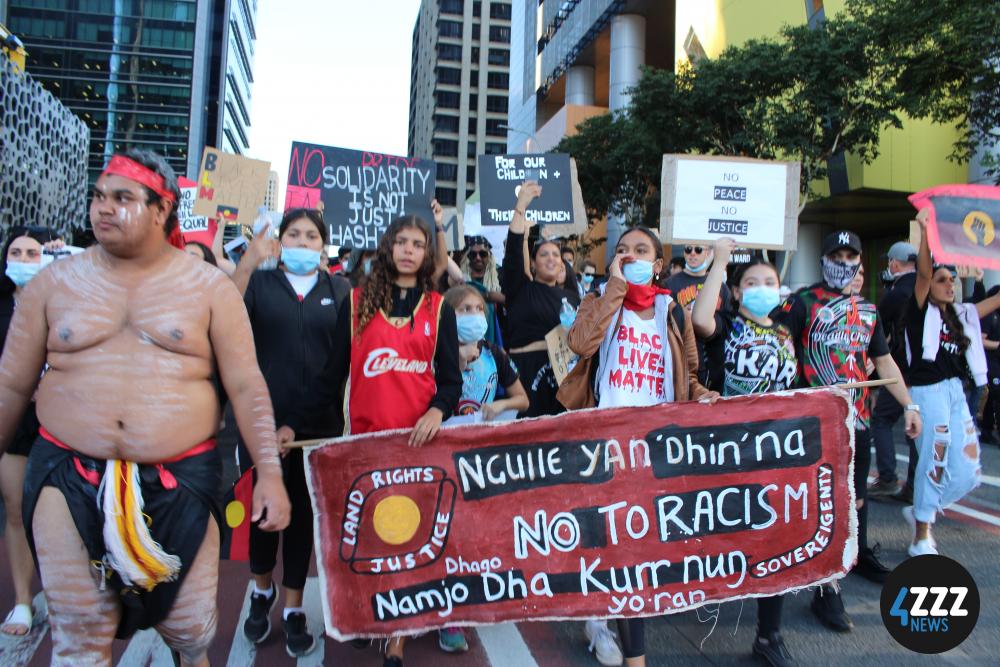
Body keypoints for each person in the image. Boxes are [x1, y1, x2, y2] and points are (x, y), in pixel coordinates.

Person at [0, 149, 291, 666]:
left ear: (161, 211)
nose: (104, 208)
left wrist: (268, 471)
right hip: (65, 473)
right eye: (98, 196)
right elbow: (10, 387)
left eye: (122, 198)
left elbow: (246, 385)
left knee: (191, 630)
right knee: (80, 634)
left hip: (180, 479)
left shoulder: (208, 289)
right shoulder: (53, 284)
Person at [288, 204, 461, 667]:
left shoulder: (438, 308)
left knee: (409, 539)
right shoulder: (357, 302)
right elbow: (331, 376)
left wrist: (438, 411)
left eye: (418, 244)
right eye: (402, 242)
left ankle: (398, 635)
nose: (409, 251)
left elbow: (450, 381)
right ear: (389, 248)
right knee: (367, 541)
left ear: (428, 254)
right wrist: (294, 426)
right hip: (363, 446)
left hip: (417, 447)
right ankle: (370, 614)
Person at [564, 226, 717, 667]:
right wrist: (614, 287)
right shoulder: (600, 300)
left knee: (637, 549)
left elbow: (687, 376)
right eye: (623, 250)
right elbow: (580, 344)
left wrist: (704, 394)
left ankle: (607, 620)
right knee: (615, 548)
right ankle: (626, 648)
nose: (630, 256)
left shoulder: (673, 312)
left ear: (657, 265)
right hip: (605, 446)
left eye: (641, 251)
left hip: (654, 449)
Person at [771, 229, 920, 633]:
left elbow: (885, 363)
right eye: (835, 254)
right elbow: (774, 352)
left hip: (856, 426)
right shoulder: (801, 302)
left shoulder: (867, 311)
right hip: (808, 425)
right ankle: (797, 577)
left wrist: (909, 406)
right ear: (823, 260)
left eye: (849, 255)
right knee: (808, 505)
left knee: (847, 506)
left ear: (859, 262)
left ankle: (829, 587)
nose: (842, 261)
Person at [229, 208, 350, 656]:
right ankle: (262, 593)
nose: (303, 242)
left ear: (324, 244)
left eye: (312, 235)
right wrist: (248, 260)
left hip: (316, 426)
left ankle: (294, 607)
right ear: (278, 241)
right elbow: (222, 313)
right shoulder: (259, 285)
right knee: (263, 513)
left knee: (301, 515)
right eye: (294, 234)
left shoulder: (340, 290)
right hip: (260, 419)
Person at [693, 239, 798, 667]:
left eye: (768, 282)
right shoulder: (726, 325)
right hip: (724, 449)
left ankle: (768, 635)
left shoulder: (787, 333)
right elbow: (699, 320)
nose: (760, 288)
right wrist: (720, 261)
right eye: (750, 282)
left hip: (774, 451)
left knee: (773, 538)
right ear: (736, 292)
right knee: (720, 533)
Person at [903, 212, 1000, 556]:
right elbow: (925, 272)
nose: (949, 284)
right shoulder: (918, 312)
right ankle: (921, 535)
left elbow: (996, 300)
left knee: (967, 469)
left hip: (956, 392)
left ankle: (919, 510)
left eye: (953, 280)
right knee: (934, 462)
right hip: (928, 394)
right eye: (943, 279)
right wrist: (928, 231)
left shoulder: (963, 316)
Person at [0, 226, 56, 636]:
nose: (22, 259)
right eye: (15, 252)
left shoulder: (67, 298)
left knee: (61, 514)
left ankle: (61, 594)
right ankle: (22, 600)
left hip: (61, 418)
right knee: (17, 510)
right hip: (16, 420)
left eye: (32, 252)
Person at [502, 181, 580, 417]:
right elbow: (514, 252)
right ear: (533, 264)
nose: (551, 259)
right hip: (524, 373)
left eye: (556, 255)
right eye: (544, 254)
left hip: (562, 376)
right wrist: (521, 206)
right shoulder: (522, 289)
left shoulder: (573, 299)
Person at [869, 241, 919, 501]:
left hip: (899, 370)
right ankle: (914, 484)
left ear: (895, 264)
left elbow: (877, 336)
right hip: (926, 373)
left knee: (881, 419)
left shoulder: (896, 293)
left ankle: (887, 478)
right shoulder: (924, 290)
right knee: (917, 429)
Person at [445, 285, 529, 419]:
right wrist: (459, 359)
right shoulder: (436, 351)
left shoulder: (493, 353)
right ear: (447, 314)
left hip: (483, 434)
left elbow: (523, 401)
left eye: (479, 308)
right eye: (466, 309)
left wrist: (502, 404)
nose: (475, 314)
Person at [665, 243, 732, 391]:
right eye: (688, 249)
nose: (692, 253)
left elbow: (728, 323)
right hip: (682, 356)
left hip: (712, 360)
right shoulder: (670, 283)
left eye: (698, 249)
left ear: (708, 253)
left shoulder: (720, 286)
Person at [979, 286, 1000, 445]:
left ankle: (986, 430)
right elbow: (980, 339)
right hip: (990, 360)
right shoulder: (989, 316)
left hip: (996, 360)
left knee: (994, 396)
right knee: (997, 395)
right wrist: (998, 345)